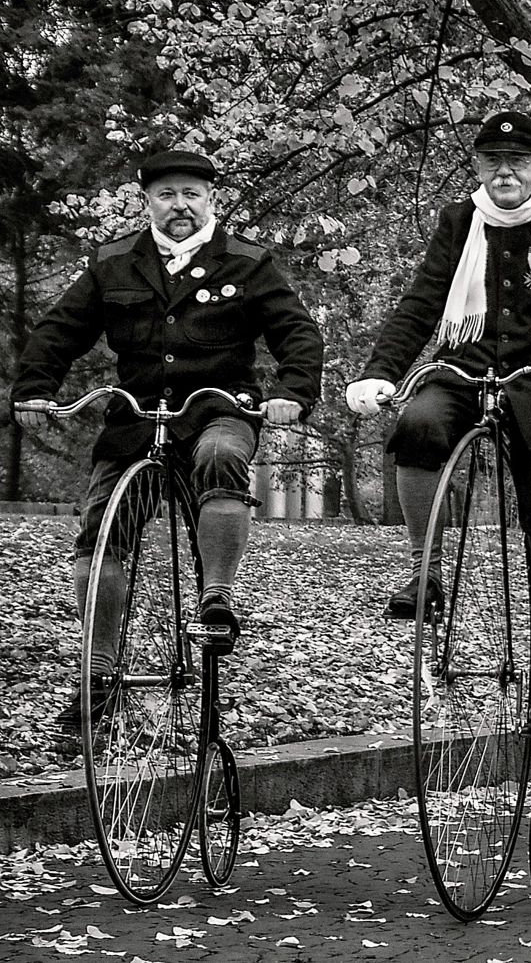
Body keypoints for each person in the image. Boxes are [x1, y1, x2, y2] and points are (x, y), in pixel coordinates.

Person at [12, 148, 324, 729]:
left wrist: (294, 391)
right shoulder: (113, 262)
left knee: (221, 456)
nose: (180, 206)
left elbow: (297, 333)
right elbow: (60, 329)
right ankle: (98, 673)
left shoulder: (247, 262)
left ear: (210, 199)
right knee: (100, 532)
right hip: (136, 417)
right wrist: (34, 387)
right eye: (166, 195)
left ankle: (217, 598)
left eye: (191, 194)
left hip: (219, 409)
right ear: (148, 201)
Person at [345, 110, 531, 737]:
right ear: (478, 167)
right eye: (492, 162)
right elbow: (421, 303)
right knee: (418, 423)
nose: (505, 172)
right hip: (464, 369)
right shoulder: (459, 222)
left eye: (518, 162)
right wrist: (380, 371)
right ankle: (425, 572)